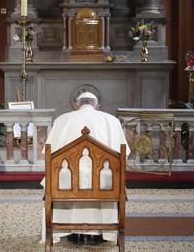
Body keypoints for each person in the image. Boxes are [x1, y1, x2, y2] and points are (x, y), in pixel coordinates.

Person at [41, 92, 130, 246]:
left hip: (66, 185)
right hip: (104, 187)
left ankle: (72, 232)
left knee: (62, 176)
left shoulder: (62, 120)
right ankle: (101, 233)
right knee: (106, 177)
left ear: (77, 105)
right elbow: (124, 156)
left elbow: (48, 155)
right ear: (97, 106)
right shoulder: (112, 121)